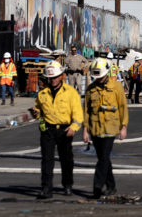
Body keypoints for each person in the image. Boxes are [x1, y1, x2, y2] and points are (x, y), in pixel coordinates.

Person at [30, 60, 83, 199]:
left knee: (66, 160)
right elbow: (39, 110)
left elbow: (78, 113)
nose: (53, 80)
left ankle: (67, 185)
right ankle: (46, 189)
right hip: (48, 130)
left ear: (61, 76)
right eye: (50, 78)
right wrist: (36, 113)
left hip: (65, 131)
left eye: (55, 77)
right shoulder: (42, 94)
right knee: (47, 160)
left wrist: (74, 127)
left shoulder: (71, 92)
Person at [83, 58, 128, 199]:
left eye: (101, 76)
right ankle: (111, 186)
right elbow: (86, 110)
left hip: (110, 127)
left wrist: (123, 127)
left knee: (103, 158)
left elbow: (122, 107)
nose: (99, 79)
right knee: (104, 158)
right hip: (95, 128)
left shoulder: (116, 87)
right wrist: (85, 129)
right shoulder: (91, 89)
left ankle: (97, 186)